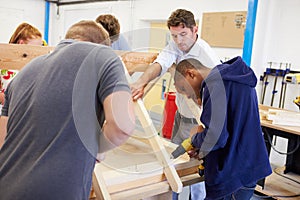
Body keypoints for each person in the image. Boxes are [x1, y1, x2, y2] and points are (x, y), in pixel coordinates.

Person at [0, 20, 135, 200]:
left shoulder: (23, 73)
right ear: (101, 44)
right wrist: (98, 149)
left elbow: (3, 140)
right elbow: (122, 125)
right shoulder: (104, 55)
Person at [131, 8, 220, 199]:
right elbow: (160, 63)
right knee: (174, 158)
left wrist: (204, 129)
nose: (179, 41)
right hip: (181, 114)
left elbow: (215, 97)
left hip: (200, 119)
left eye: (183, 34)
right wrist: (140, 82)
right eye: (174, 35)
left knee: (196, 166)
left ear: (195, 30)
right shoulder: (175, 45)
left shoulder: (207, 57)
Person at [174, 57, 272, 200]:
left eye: (184, 89)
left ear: (191, 74)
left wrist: (195, 137)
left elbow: (216, 136)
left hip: (232, 173)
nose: (188, 96)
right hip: (245, 167)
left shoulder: (214, 84)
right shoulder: (233, 79)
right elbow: (229, 130)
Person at [0, 22, 44, 107]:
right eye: (36, 48)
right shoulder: (4, 62)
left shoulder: (36, 66)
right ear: (21, 44)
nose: (39, 52)